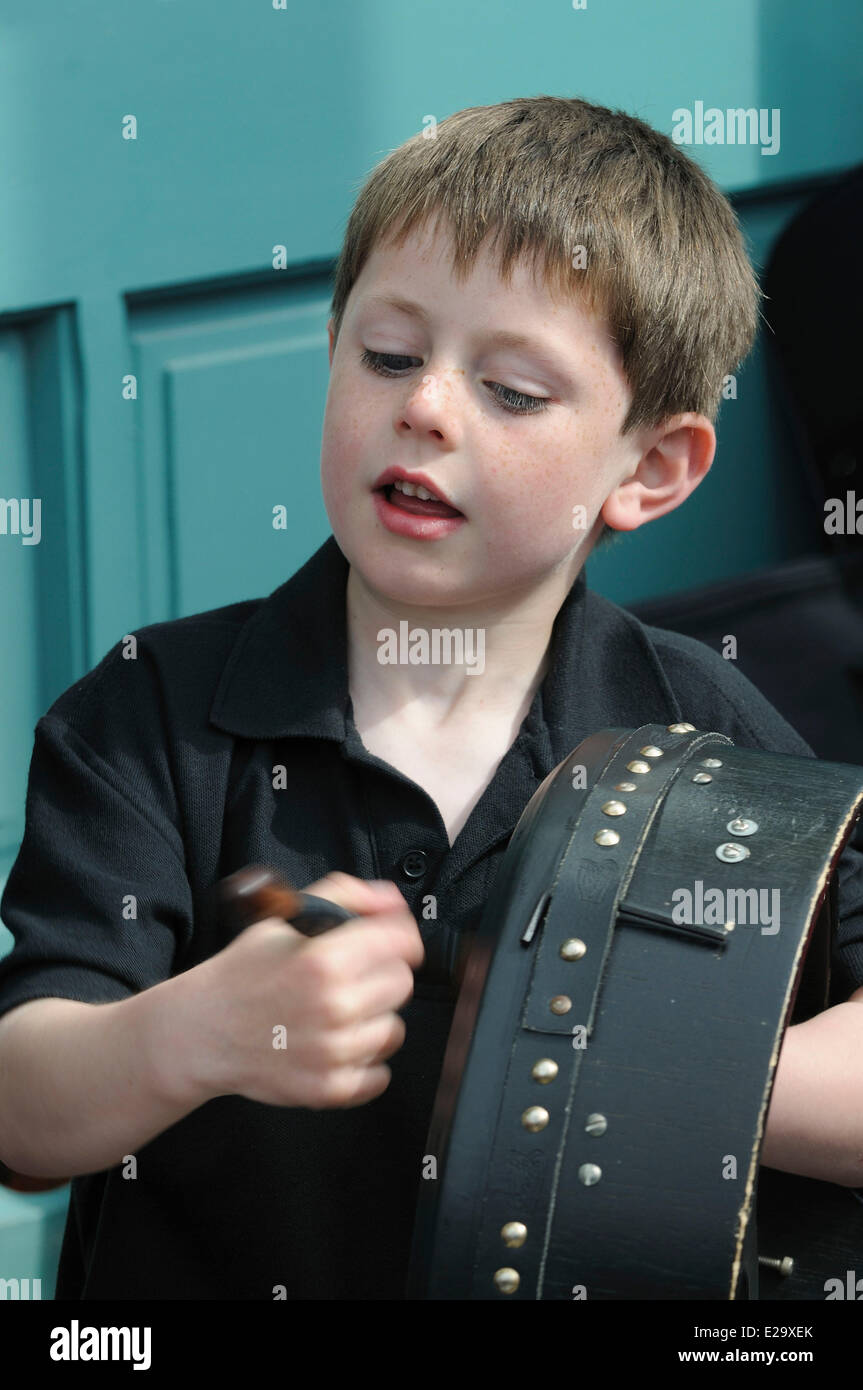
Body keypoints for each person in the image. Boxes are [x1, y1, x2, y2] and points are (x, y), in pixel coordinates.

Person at [1, 94, 862, 1300]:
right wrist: (187, 1033)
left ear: (649, 469)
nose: (425, 405)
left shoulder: (701, 729)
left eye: (511, 390)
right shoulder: (151, 716)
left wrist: (622, 1075)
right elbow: (26, 1114)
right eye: (388, 354)